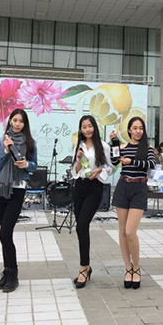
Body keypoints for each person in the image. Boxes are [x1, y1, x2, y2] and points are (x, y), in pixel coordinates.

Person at [0, 109, 38, 293]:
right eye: (15, 120)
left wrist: (26, 164)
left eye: (21, 121)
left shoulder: (30, 143)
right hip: (1, 188)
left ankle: (13, 274)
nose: (17, 124)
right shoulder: (0, 141)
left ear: (25, 124)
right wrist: (6, 150)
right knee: (5, 235)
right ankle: (7, 272)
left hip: (17, 188)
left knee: (5, 233)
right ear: (10, 121)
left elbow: (34, 166)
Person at [111, 117, 156, 289]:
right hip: (123, 186)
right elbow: (114, 162)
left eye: (140, 128)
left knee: (130, 231)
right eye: (135, 128)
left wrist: (132, 162)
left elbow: (151, 164)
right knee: (122, 231)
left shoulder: (147, 148)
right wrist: (114, 144)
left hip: (139, 188)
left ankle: (136, 267)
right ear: (129, 130)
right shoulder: (123, 147)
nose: (138, 131)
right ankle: (127, 268)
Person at [70, 115, 115, 288]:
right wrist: (78, 159)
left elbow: (111, 167)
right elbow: (75, 171)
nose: (87, 129)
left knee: (81, 225)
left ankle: (83, 268)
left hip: (94, 187)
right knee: (81, 228)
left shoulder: (103, 146)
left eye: (90, 126)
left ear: (94, 127)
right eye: (84, 127)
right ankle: (86, 266)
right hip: (79, 187)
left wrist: (99, 172)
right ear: (80, 129)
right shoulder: (79, 146)